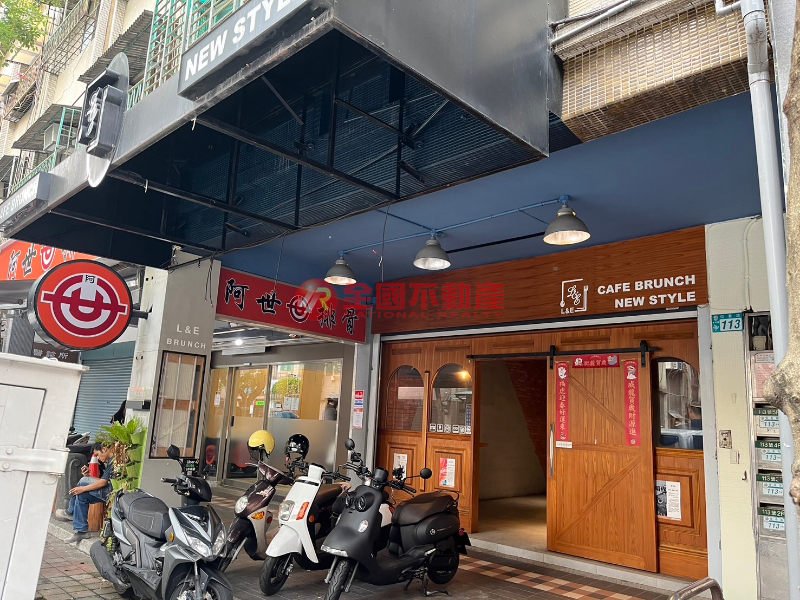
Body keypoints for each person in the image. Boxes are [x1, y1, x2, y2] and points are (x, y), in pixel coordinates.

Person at [54, 443, 115, 543]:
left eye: (98, 455)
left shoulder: (114, 461)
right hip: (107, 491)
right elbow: (103, 481)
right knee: (81, 495)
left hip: (112, 494)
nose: (98, 458)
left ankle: (70, 512)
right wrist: (88, 477)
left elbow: (103, 483)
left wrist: (84, 487)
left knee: (83, 482)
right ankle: (82, 531)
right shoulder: (110, 462)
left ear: (104, 449)